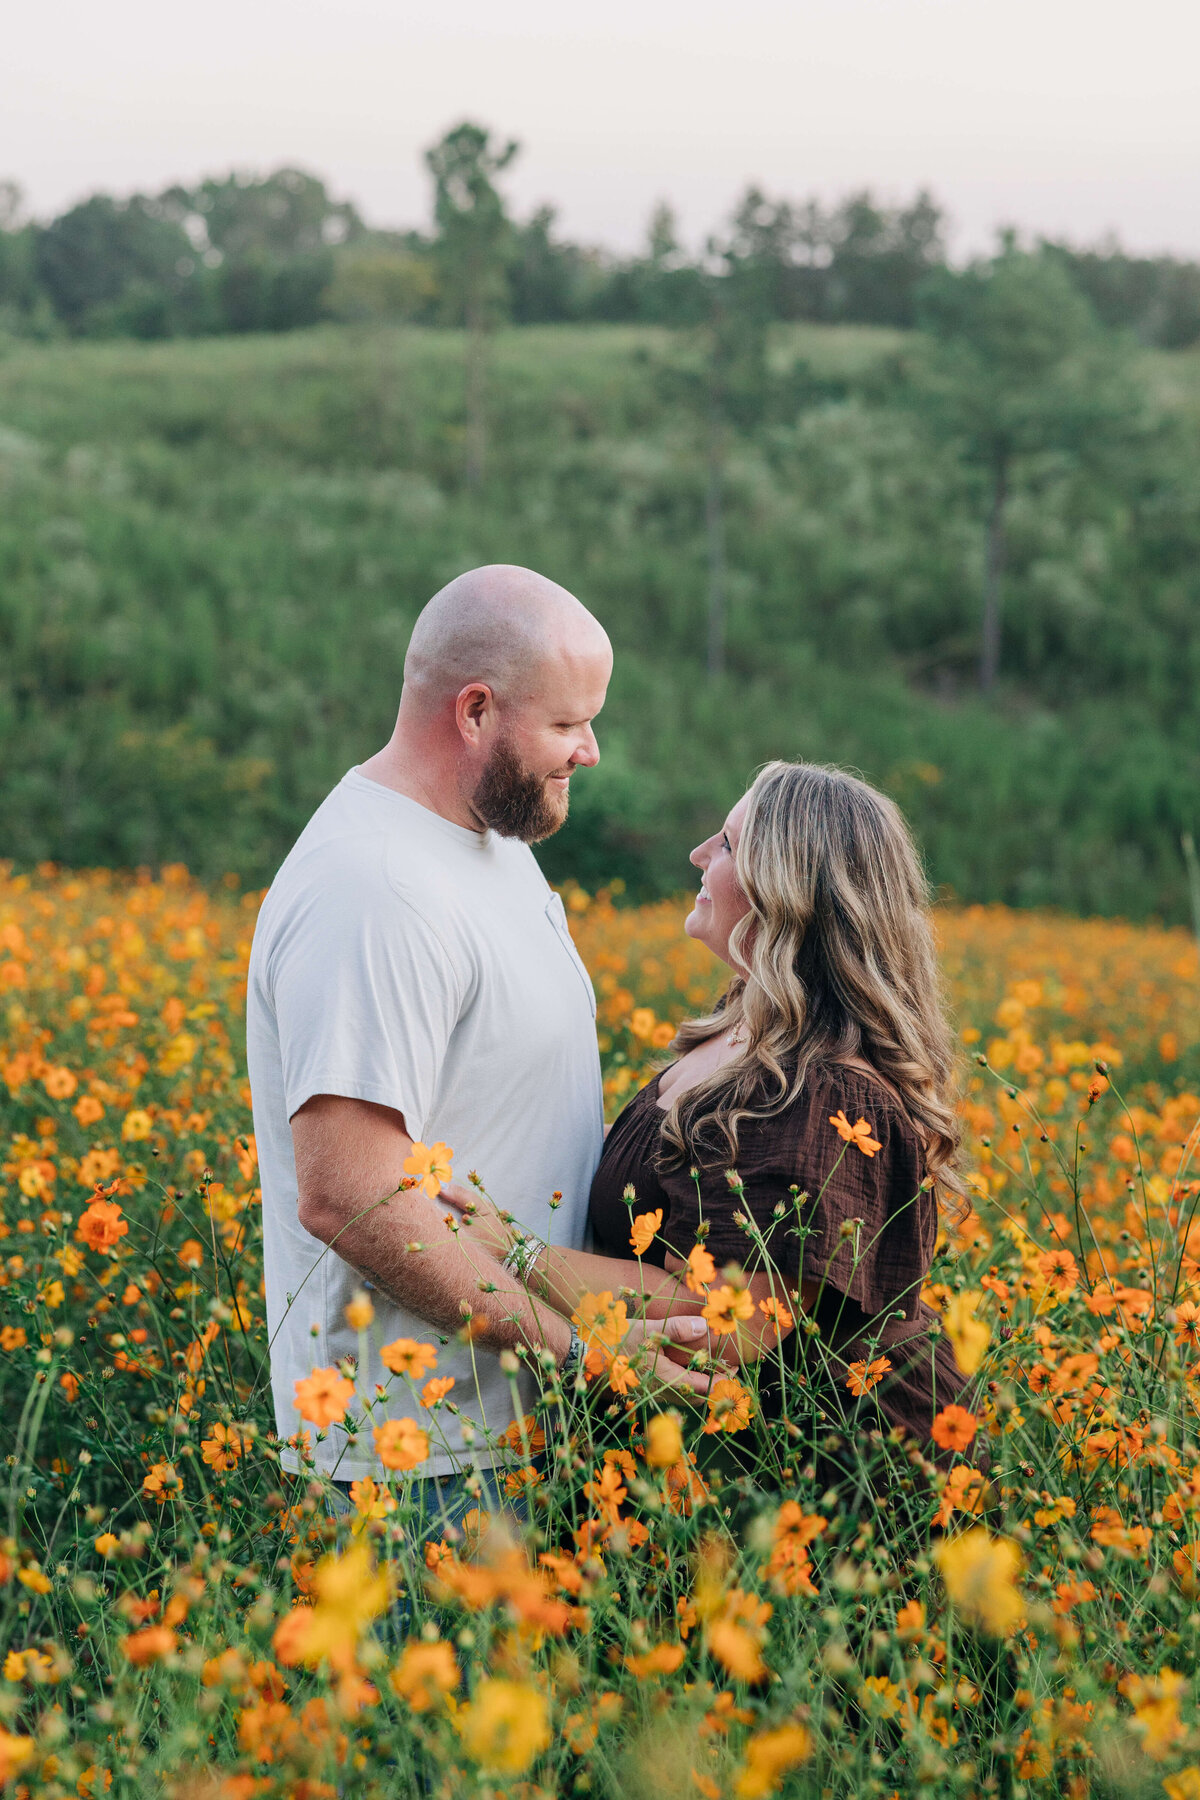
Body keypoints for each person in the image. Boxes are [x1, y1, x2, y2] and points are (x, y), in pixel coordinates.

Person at [246, 564, 706, 1535]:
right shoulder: (374, 890)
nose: (590, 751)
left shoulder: (488, 842)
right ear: (475, 711)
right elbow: (352, 1195)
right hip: (422, 1460)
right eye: (568, 723)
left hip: (514, 1428)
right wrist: (584, 1351)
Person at [448, 760, 974, 1486]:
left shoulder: (825, 1094)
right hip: (712, 1468)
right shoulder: (740, 1028)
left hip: (833, 1481)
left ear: (784, 887)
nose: (698, 854)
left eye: (726, 843)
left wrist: (515, 1255)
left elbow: (729, 1326)